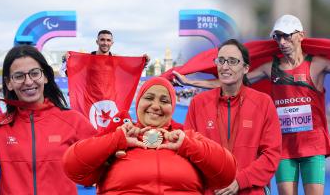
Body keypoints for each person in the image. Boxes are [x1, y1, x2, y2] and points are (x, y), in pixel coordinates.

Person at [175, 15, 330, 195]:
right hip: (285, 147)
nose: (282, 41)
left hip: (313, 145)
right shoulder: (270, 67)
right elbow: (231, 80)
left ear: (301, 35)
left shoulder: (317, 64)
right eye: (277, 36)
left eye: (287, 35)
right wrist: (190, 82)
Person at [62, 76, 237, 194]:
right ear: (138, 103)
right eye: (149, 98)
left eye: (164, 101)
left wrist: (188, 145)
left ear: (172, 107)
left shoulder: (186, 137)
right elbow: (72, 165)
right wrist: (117, 140)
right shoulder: (118, 136)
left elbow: (227, 173)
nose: (155, 106)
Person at [0, 45, 97, 194]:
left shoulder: (73, 121)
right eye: (19, 76)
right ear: (9, 83)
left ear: (46, 76)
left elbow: (106, 165)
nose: (28, 82)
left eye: (35, 73)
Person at [184, 39, 282, 195]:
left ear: (246, 68)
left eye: (232, 61)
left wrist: (240, 181)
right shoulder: (198, 104)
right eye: (221, 60)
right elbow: (187, 151)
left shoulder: (263, 103)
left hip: (250, 191)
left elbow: (271, 155)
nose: (224, 66)